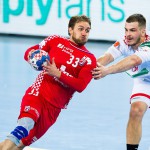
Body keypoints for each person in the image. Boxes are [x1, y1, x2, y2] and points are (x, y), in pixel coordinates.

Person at [0, 15, 96, 150]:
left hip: (54, 107)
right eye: (81, 29)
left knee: (21, 144)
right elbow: (29, 52)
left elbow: (81, 85)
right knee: (25, 124)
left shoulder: (89, 59)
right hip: (38, 93)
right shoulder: (55, 40)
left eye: (87, 30)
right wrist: (33, 57)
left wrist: (58, 74)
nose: (84, 33)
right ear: (70, 29)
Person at [92, 13, 150, 150]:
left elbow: (133, 60)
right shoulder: (125, 41)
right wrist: (90, 67)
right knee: (136, 111)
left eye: (133, 30)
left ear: (143, 32)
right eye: (126, 29)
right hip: (144, 80)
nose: (128, 34)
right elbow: (107, 57)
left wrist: (107, 71)